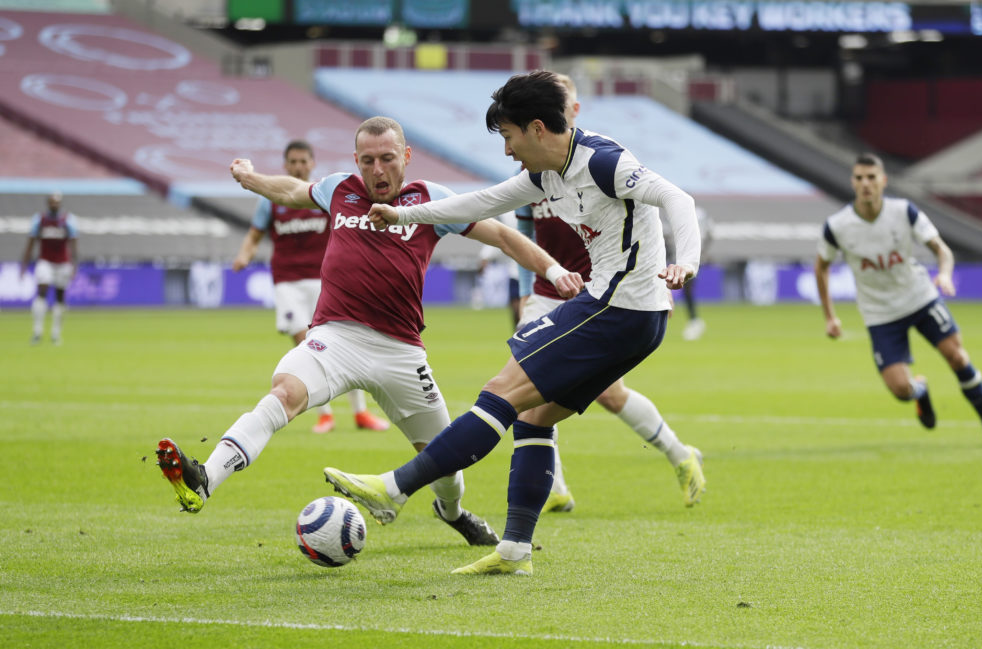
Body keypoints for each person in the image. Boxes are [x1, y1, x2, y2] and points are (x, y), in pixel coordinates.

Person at [323, 70, 703, 576]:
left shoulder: (604, 162)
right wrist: (403, 217)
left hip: (619, 306)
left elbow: (679, 199)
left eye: (508, 135)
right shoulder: (547, 172)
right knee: (534, 416)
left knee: (499, 391)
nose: (506, 150)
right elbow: (481, 203)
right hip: (629, 312)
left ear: (538, 128)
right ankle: (515, 551)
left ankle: (393, 488)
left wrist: (688, 261)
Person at [156, 116, 579, 549]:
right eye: (369, 161)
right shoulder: (341, 190)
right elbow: (291, 192)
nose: (378, 170)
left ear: (407, 156)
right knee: (283, 392)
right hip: (335, 338)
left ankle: (453, 513)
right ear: (356, 160)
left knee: (447, 465)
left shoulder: (432, 200)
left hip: (401, 353)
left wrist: (554, 268)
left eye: (388, 159)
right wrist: (249, 179)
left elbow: (504, 238)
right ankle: (206, 478)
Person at [514, 73, 705, 514]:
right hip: (547, 292)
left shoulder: (599, 165)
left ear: (573, 112)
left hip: (606, 294)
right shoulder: (531, 175)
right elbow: (525, 238)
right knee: (527, 389)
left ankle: (681, 454)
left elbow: (640, 222)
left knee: (610, 394)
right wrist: (526, 295)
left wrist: (653, 283)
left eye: (570, 105)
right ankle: (554, 488)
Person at [814, 153, 982, 449]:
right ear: (852, 182)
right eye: (859, 178)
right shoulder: (837, 226)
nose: (865, 183)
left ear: (883, 180)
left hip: (920, 298)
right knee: (900, 389)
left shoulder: (904, 211)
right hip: (880, 314)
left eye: (871, 177)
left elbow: (941, 249)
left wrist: (944, 275)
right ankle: (920, 391)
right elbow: (822, 266)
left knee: (957, 356)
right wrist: (830, 316)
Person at [231, 139, 389, 434]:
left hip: (326, 280)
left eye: (304, 161)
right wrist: (244, 254)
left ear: (312, 164)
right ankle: (325, 414)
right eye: (293, 162)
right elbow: (254, 235)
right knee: (309, 345)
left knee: (339, 342)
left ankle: (360, 413)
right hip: (288, 283)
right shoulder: (270, 199)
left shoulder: (324, 196)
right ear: (285, 165)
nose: (299, 166)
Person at [21, 192, 78, 345]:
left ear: (60, 204)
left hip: (63, 263)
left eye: (57, 202)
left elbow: (74, 244)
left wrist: (74, 265)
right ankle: (37, 332)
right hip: (45, 261)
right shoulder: (39, 220)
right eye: (52, 202)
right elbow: (31, 243)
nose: (55, 205)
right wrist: (24, 265)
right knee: (42, 291)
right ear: (48, 203)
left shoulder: (68, 220)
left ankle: (55, 334)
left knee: (60, 297)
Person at [678, 206, 712, 341]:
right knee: (686, 289)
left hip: (689, 258)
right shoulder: (701, 214)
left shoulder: (685, 212)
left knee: (687, 288)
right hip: (692, 257)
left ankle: (694, 321)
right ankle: (694, 320)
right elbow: (710, 234)